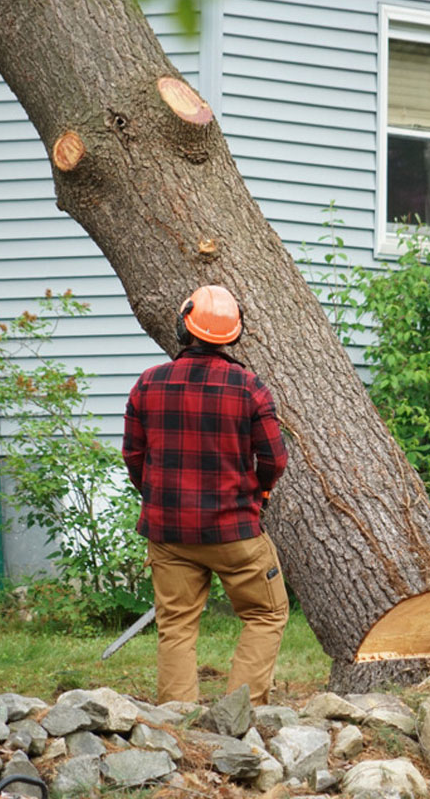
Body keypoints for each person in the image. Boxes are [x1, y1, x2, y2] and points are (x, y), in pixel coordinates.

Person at [122, 284, 289, 705]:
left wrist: (160, 498)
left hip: (169, 532)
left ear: (184, 327)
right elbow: (274, 459)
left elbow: (134, 456)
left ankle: (176, 723)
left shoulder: (148, 384)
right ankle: (241, 713)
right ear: (233, 334)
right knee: (266, 613)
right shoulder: (249, 387)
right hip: (234, 531)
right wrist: (260, 494)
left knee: (176, 624)